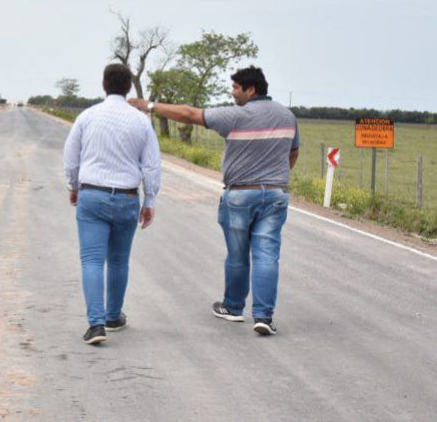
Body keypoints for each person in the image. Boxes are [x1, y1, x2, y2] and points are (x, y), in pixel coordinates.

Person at [129, 66, 298, 336]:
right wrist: (275, 177)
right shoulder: (287, 116)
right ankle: (264, 316)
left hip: (240, 193)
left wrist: (150, 105)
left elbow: (189, 114)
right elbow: (293, 153)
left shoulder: (235, 115)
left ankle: (233, 307)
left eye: (235, 88)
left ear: (250, 90)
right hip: (276, 193)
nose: (232, 93)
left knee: (238, 255)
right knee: (267, 256)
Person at [63, 63, 161, 345]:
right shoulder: (141, 121)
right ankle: (113, 316)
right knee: (118, 260)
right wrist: (150, 200)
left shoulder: (87, 116)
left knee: (92, 260)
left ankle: (95, 325)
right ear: (130, 87)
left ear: (104, 84)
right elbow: (151, 166)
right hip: (128, 198)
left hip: (92, 195)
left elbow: (71, 158)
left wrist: (73, 186)